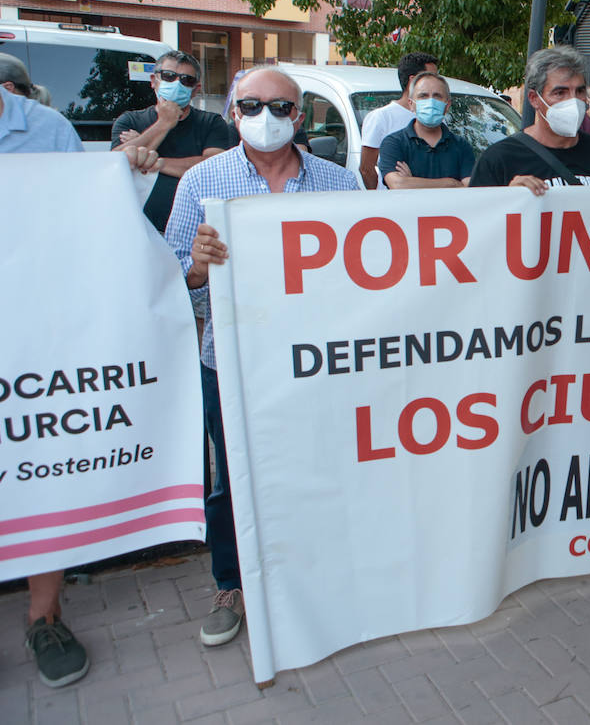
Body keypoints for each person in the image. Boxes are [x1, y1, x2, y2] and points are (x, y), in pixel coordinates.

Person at [164, 66, 361, 649]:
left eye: (281, 108)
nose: (267, 118)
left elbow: (369, 273)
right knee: (230, 479)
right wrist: (198, 267)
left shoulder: (339, 184)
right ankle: (231, 584)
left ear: (300, 117)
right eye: (253, 106)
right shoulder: (202, 183)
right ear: (233, 113)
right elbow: (172, 283)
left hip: (316, 361)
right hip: (231, 362)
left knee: (318, 466)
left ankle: (314, 578)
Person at [2, 53, 160, 688]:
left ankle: (45, 615)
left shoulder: (44, 128)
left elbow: (86, 218)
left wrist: (131, 171)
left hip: (36, 327)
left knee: (42, 459)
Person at [469, 46, 590, 192]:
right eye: (560, 93)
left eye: (579, 91)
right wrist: (508, 198)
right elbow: (479, 218)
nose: (573, 101)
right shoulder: (498, 160)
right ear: (534, 99)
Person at [111, 50, 234, 232]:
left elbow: (212, 168)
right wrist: (164, 124)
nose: (177, 84)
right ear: (154, 81)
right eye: (168, 76)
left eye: (186, 80)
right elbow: (118, 166)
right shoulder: (130, 121)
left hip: (193, 229)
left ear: (195, 90)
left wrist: (154, 162)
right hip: (140, 228)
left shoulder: (212, 123)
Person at [378, 72, 476, 189]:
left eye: (437, 96)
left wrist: (412, 181)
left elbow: (468, 189)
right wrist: (451, 183)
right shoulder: (394, 143)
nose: (431, 102)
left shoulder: (461, 146)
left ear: (447, 105)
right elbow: (398, 184)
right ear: (411, 104)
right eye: (423, 96)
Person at [359, 52, 439, 189]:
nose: (437, 84)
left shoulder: (438, 117)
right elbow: (366, 168)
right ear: (413, 81)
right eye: (431, 78)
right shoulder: (381, 117)